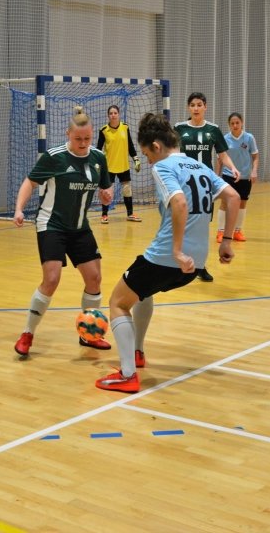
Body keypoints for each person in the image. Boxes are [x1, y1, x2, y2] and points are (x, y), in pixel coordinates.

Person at [95, 113, 240, 393]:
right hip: (196, 263)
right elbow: (233, 197)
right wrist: (226, 242)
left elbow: (180, 203)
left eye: (148, 154)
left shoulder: (163, 167)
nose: (149, 161)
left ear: (156, 146)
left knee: (117, 302)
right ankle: (137, 352)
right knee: (142, 291)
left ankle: (127, 375)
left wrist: (176, 251)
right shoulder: (199, 165)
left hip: (169, 258)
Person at [13, 106, 115, 357]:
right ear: (68, 134)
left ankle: (89, 335)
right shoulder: (54, 157)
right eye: (78, 138)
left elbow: (106, 189)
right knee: (51, 279)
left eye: (87, 138)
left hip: (80, 227)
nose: (83, 143)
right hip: (52, 225)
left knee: (94, 278)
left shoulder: (98, 158)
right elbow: (30, 182)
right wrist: (19, 209)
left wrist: (106, 195)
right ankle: (27, 333)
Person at [175, 92, 239, 282]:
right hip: (184, 182)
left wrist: (233, 167)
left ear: (205, 107)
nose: (196, 108)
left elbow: (222, 155)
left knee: (202, 226)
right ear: (188, 108)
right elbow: (172, 153)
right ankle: (181, 262)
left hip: (204, 184)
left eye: (199, 105)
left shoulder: (213, 129)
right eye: (192, 105)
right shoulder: (179, 128)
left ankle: (200, 266)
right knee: (183, 223)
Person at [215, 112, 259, 243]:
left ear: (242, 123)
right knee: (225, 203)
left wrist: (254, 171)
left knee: (242, 203)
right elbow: (220, 160)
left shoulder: (249, 138)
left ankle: (238, 231)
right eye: (232, 123)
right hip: (229, 175)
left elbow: (255, 156)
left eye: (237, 123)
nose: (235, 125)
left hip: (245, 176)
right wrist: (217, 176)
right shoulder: (225, 139)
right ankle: (220, 232)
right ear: (229, 125)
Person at [97, 104, 142, 224]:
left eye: (115, 113)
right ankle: (104, 215)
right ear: (108, 116)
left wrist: (136, 159)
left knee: (127, 190)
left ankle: (130, 214)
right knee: (106, 191)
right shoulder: (104, 130)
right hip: (109, 166)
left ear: (119, 114)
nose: (113, 115)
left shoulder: (125, 127)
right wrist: (97, 165)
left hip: (123, 165)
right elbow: (98, 149)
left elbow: (130, 145)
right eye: (111, 113)